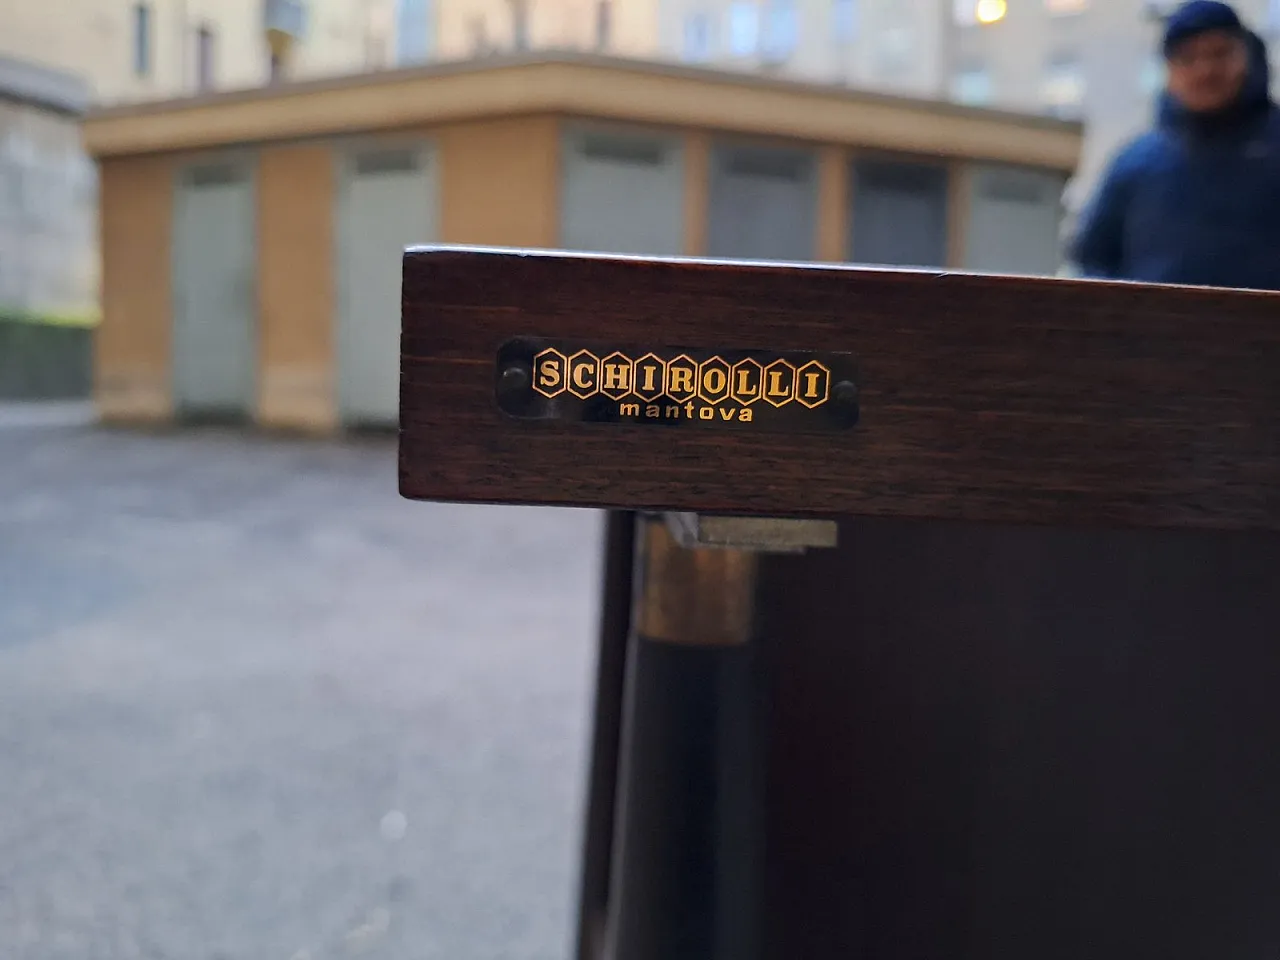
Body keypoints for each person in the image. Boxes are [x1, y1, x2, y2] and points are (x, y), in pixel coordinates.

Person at [1070, 0, 1280, 291]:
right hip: (1154, 334)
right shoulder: (1135, 164)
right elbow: (1092, 261)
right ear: (1169, 71)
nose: (1205, 70)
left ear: (1247, 56)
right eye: (1188, 58)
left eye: (1220, 53)